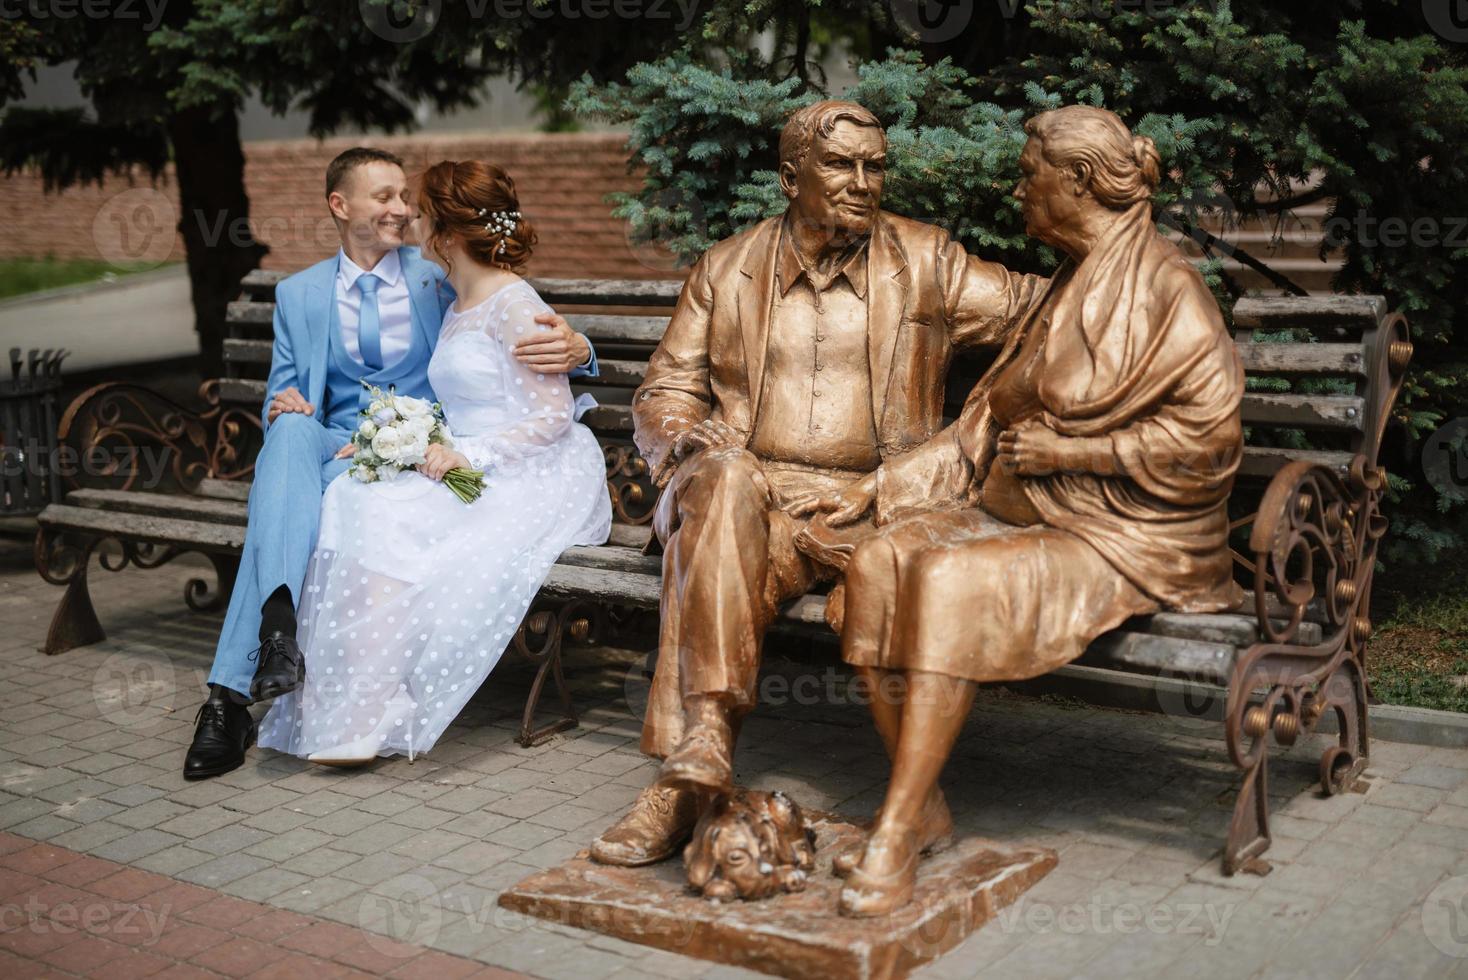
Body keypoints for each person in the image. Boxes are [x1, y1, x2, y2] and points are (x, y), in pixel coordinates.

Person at [798, 105, 1245, 915]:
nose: (1018, 190)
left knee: (947, 581)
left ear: (1077, 181)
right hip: (1025, 509)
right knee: (874, 560)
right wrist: (876, 491)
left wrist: (1078, 454)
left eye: (1030, 175)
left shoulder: (1164, 286)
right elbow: (984, 426)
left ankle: (894, 830)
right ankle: (924, 806)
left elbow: (1210, 443)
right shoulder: (1070, 282)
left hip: (1123, 532)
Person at [582, 100, 1046, 868]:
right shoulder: (727, 270)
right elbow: (665, 391)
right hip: (752, 500)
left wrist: (970, 433)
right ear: (791, 177)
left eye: (876, 167)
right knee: (724, 488)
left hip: (878, 507)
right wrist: (683, 431)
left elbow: (1050, 312)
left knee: (710, 555)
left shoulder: (928, 260)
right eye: (842, 166)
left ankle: (693, 777)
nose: (864, 183)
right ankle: (693, 758)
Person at [183, 148, 600, 779]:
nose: (402, 211)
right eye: (383, 197)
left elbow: (517, 331)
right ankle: (276, 625)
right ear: (340, 206)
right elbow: (281, 389)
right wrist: (282, 405)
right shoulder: (298, 295)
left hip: (416, 450)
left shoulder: (439, 275)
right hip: (335, 445)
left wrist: (580, 346)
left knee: (292, 517)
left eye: (406, 198)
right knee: (290, 437)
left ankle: (229, 698)